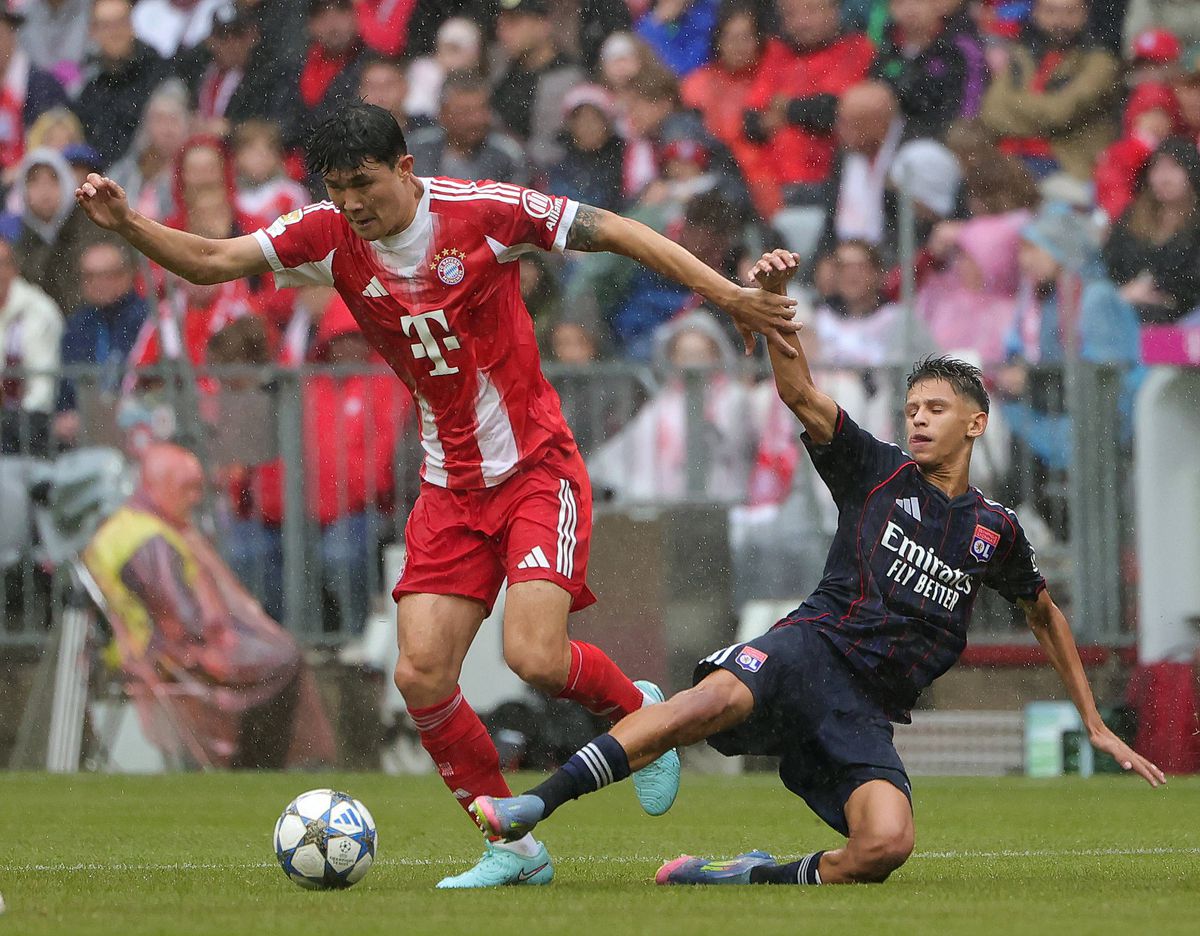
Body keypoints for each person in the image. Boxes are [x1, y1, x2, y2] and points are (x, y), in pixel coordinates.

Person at [75, 101, 800, 888]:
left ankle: (639, 712)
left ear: (404, 169)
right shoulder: (325, 234)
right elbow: (213, 260)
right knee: (420, 675)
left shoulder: (483, 213)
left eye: (363, 183)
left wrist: (727, 295)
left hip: (534, 471)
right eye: (336, 186)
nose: (351, 202)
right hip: (448, 488)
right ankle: (512, 849)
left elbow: (617, 230)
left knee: (533, 655)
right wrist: (128, 226)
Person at [468, 248, 1165, 887]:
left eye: (936, 409)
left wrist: (1095, 722)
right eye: (912, 407)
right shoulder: (878, 470)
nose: (917, 419)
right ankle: (534, 803)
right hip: (807, 650)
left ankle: (741, 877)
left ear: (976, 424)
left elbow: (1042, 612)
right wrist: (775, 307)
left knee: (886, 847)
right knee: (703, 705)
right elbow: (800, 392)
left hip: (864, 711)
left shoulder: (994, 529)